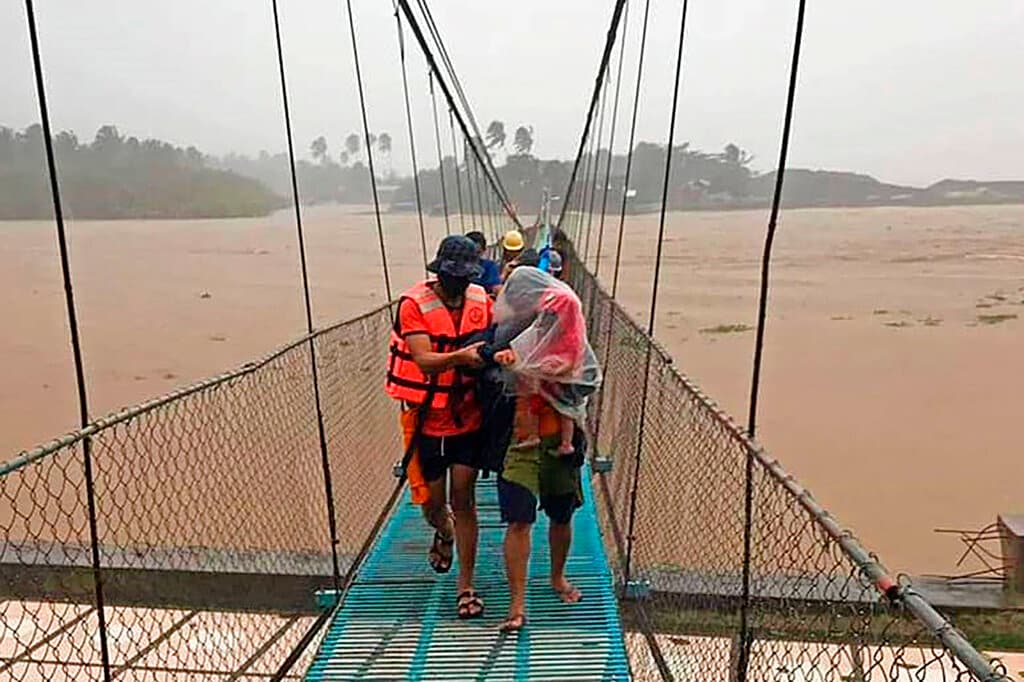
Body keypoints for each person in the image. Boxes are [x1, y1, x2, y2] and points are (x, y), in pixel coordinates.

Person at [486, 267, 602, 633]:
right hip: (519, 443)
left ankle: (557, 577)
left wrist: (548, 373)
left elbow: (587, 380)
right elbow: (492, 376)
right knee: (519, 519)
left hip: (559, 442)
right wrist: (505, 362)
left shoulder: (571, 330)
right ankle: (517, 606)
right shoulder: (510, 332)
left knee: (561, 515)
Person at [385, 234, 492, 620]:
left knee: (464, 497)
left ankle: (466, 586)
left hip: (467, 415)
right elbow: (424, 359)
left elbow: (499, 337)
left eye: (465, 277)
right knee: (432, 503)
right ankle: (443, 532)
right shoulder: (414, 304)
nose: (459, 284)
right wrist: (463, 355)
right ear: (439, 272)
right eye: (453, 277)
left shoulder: (483, 300)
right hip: (427, 418)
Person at [466, 230, 501, 295]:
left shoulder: (489, 266)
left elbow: (496, 288)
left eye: (477, 252)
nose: (474, 256)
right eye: (470, 252)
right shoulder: (457, 268)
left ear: (484, 250)